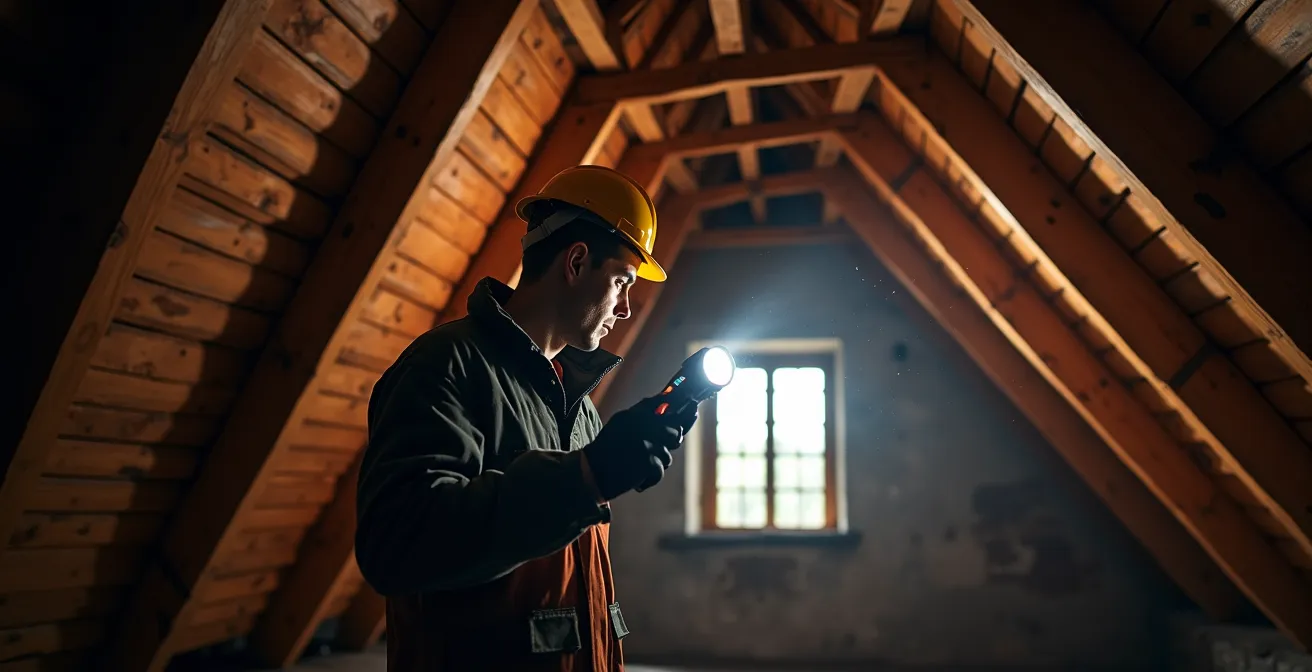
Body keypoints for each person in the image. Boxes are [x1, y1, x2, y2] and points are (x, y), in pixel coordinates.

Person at [355, 164, 698, 671]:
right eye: (622, 281)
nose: (626, 308)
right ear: (577, 262)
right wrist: (585, 477)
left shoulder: (579, 410)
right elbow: (396, 544)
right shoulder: (447, 365)